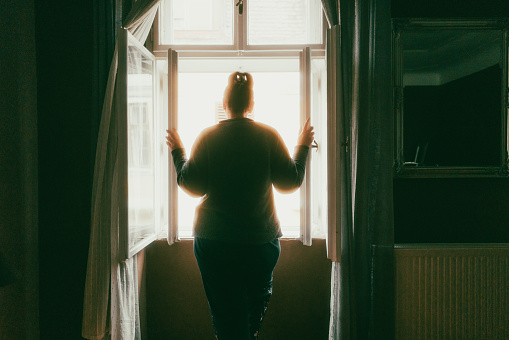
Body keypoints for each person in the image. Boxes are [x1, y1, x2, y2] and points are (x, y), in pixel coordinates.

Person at [166, 71, 314, 340]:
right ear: (251, 104)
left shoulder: (208, 136)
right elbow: (289, 182)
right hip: (259, 242)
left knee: (227, 316)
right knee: (250, 315)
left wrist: (178, 152)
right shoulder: (269, 135)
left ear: (225, 105)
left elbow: (191, 185)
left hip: (215, 242)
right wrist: (302, 146)